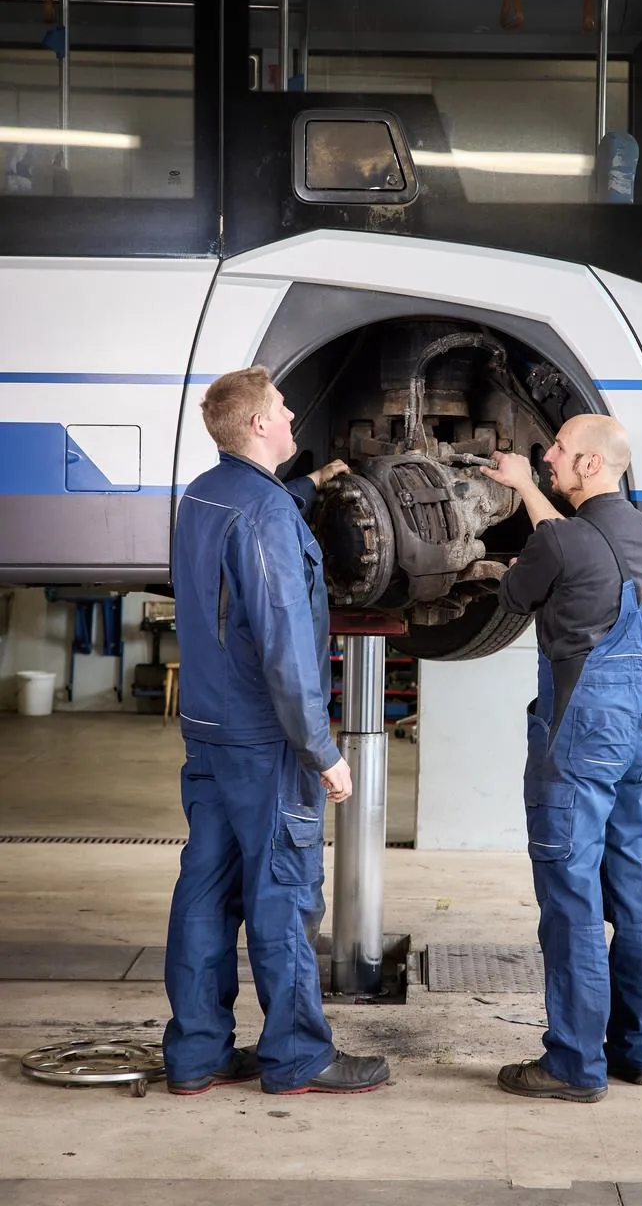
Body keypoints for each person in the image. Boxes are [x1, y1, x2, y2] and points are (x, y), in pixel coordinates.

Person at [162, 366, 390, 1097]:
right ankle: (297, 1056)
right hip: (266, 741)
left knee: (205, 891)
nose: (292, 417)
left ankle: (196, 1054)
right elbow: (285, 644)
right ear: (259, 424)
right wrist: (320, 749)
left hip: (209, 731)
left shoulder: (205, 495)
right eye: (284, 409)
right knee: (285, 893)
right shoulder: (263, 514)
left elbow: (253, 529)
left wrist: (314, 484)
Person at [480, 415, 642, 1103]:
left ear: (589, 464)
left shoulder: (559, 541)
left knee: (572, 897)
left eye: (559, 448)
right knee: (633, 890)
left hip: (581, 730)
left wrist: (521, 532)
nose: (548, 455)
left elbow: (515, 593)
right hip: (638, 721)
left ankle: (574, 1065)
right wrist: (528, 488)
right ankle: (639, 1051)